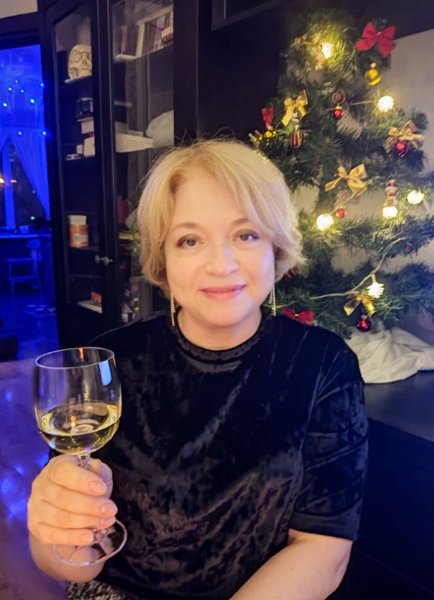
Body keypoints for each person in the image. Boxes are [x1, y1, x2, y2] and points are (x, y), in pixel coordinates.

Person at [27, 139, 368, 600]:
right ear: (163, 260)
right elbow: (72, 563)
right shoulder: (110, 363)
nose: (221, 264)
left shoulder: (324, 364)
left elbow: (323, 548)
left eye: (246, 235)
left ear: (276, 246)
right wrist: (53, 529)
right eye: (190, 240)